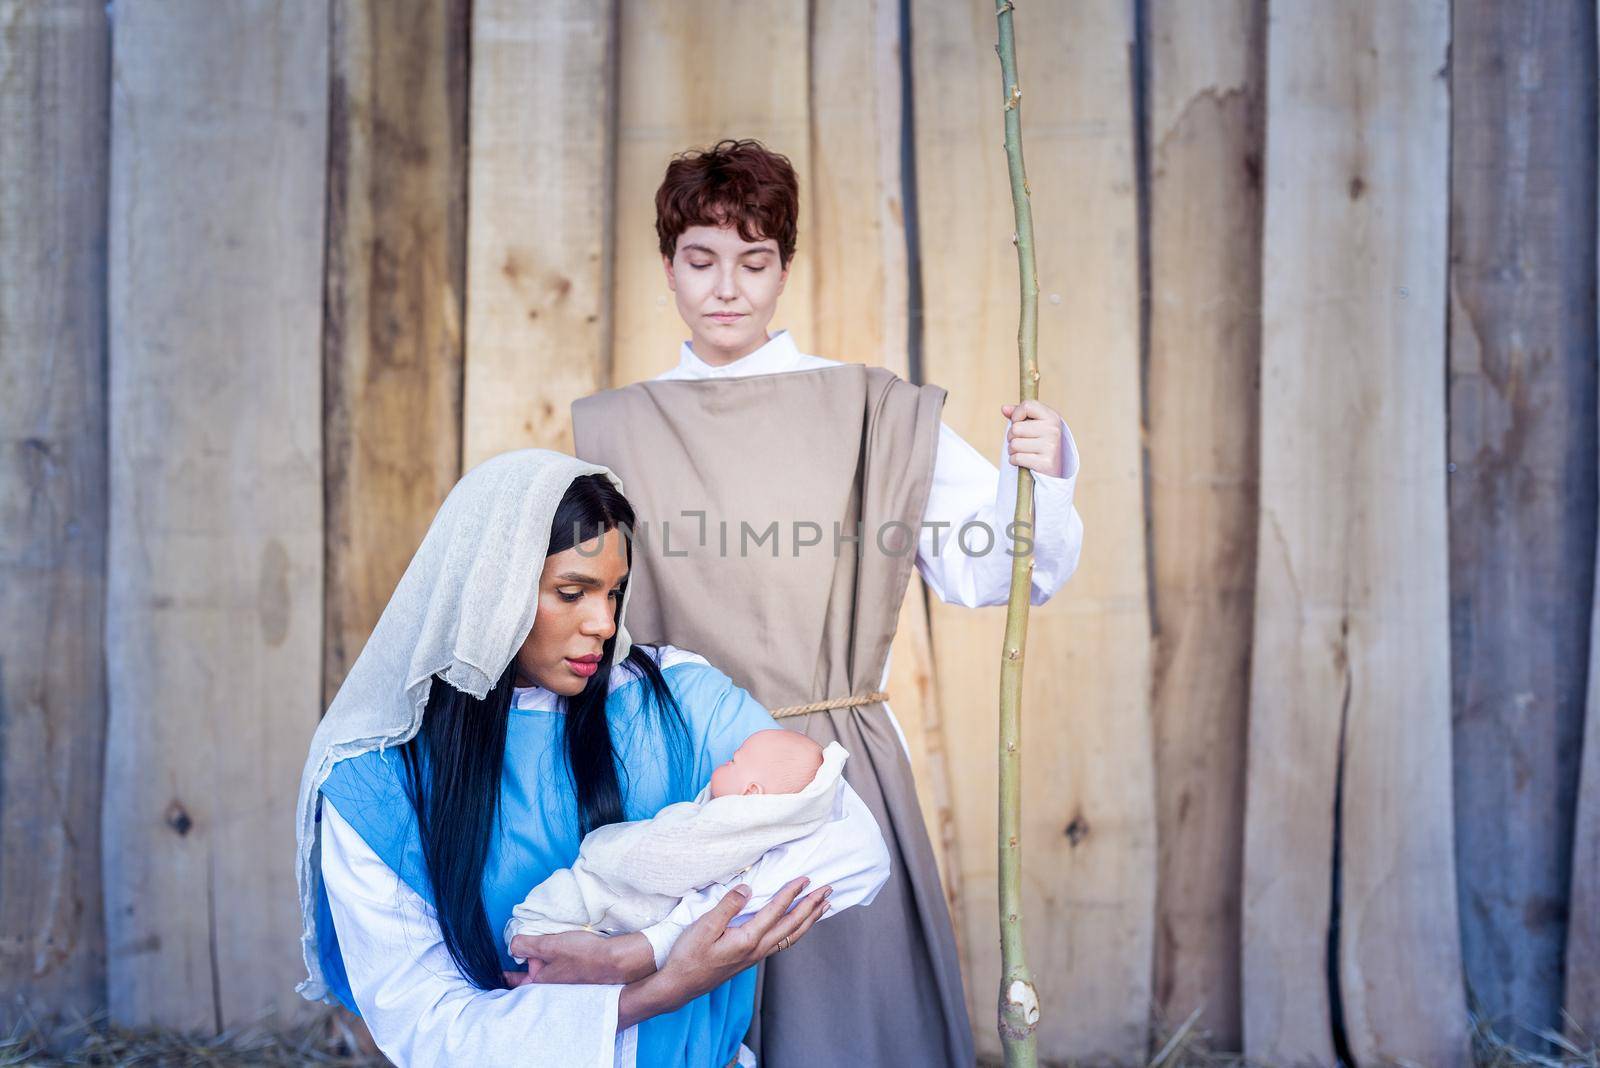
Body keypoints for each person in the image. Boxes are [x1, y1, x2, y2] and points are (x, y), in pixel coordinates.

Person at [572, 139, 1084, 1067]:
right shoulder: (609, 432)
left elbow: (1003, 572)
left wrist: (1039, 479)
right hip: (675, 783)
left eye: (754, 261)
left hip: (833, 777)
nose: (727, 287)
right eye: (701, 260)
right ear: (667, 266)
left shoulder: (869, 414)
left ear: (785, 269)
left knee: (844, 1034)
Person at [294, 450, 832, 1068]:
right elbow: (428, 1027)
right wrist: (659, 989)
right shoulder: (376, 778)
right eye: (572, 592)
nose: (604, 623)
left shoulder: (680, 693)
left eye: (615, 592)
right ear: (493, 588)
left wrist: (647, 947)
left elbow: (851, 850)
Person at [503, 734, 889, 970]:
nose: (723, 762)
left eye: (733, 761)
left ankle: (536, 933)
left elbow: (668, 856)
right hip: (621, 913)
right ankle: (541, 936)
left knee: (577, 898)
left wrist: (612, 850)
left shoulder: (735, 828)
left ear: (752, 795)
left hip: (626, 897)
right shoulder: (728, 819)